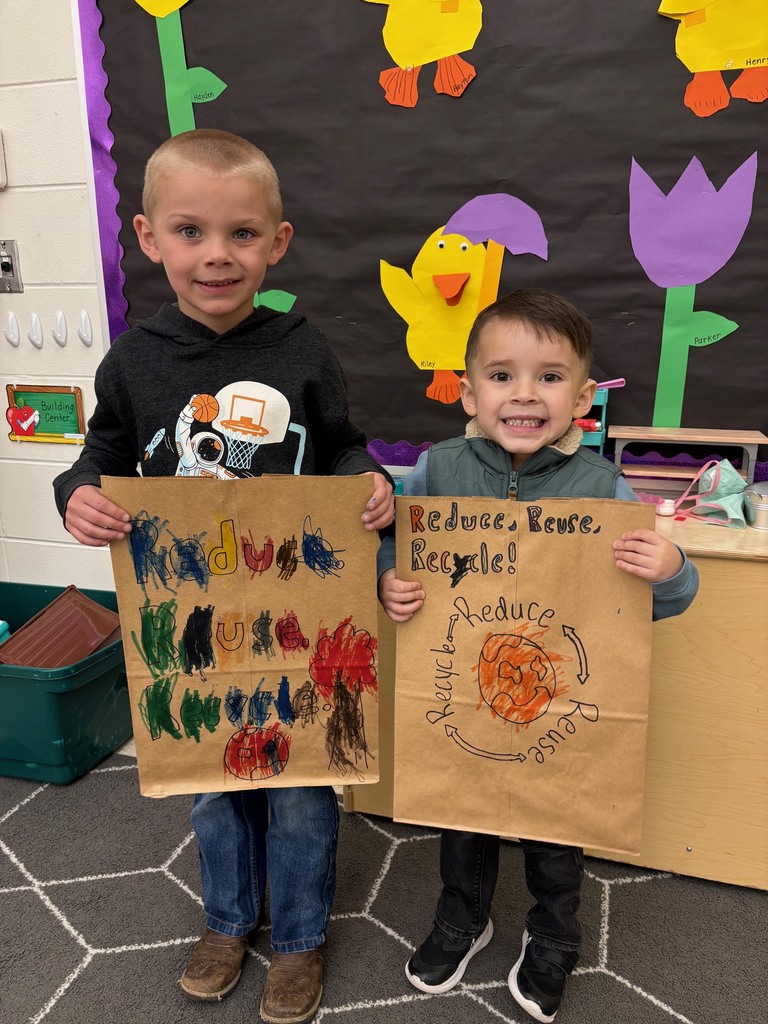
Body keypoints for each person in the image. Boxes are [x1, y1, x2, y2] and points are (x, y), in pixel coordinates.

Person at [53, 128, 394, 1023]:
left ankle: (299, 940)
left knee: (299, 789)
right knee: (214, 784)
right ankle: (228, 920)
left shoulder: (303, 348)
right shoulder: (134, 360)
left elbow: (345, 442)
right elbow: (101, 457)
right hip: (194, 626)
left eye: (242, 234)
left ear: (276, 244)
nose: (217, 255)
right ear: (147, 237)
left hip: (299, 615)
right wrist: (79, 494)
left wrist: (369, 479)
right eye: (191, 231)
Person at [377, 288, 698, 1023]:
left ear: (583, 397)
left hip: (554, 698)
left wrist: (670, 566)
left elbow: (667, 604)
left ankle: (553, 935)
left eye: (550, 377)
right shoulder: (437, 470)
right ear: (468, 388)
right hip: (465, 690)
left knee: (559, 823)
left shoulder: (604, 487)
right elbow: (397, 551)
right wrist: (387, 580)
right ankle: (463, 919)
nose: (524, 394)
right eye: (501, 375)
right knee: (461, 816)